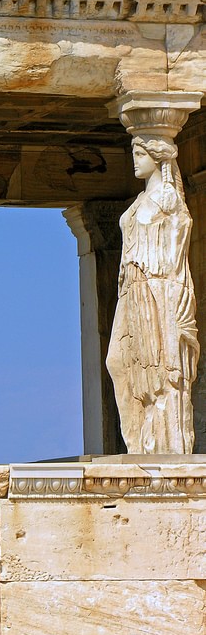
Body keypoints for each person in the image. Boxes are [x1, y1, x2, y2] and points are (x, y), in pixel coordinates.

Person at [107, 136, 199, 454]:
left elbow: (177, 251)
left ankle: (161, 446)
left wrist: (171, 303)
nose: (134, 159)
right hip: (131, 288)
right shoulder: (140, 199)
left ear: (157, 158)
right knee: (117, 362)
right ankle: (138, 444)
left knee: (159, 368)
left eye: (140, 153)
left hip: (155, 288)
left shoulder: (168, 198)